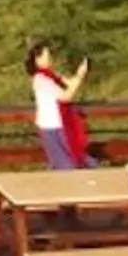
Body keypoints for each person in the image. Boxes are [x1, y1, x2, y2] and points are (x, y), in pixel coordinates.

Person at [28, 41, 90, 170]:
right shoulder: (41, 79)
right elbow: (66, 97)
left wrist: (80, 74)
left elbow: (69, 84)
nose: (50, 58)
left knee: (72, 159)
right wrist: (79, 77)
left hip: (59, 123)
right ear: (38, 59)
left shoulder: (51, 75)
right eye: (47, 55)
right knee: (65, 164)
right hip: (51, 126)